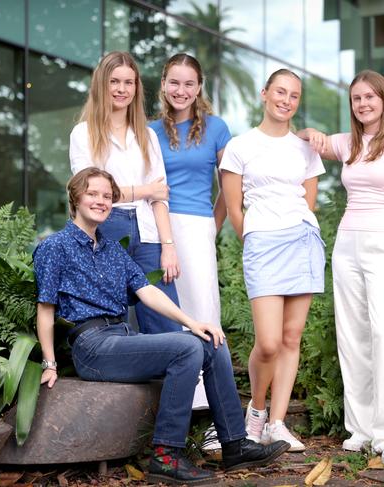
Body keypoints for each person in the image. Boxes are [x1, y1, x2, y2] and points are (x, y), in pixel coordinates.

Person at [34, 167, 290, 485]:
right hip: (93, 346)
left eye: (106, 196)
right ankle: (166, 457)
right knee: (184, 349)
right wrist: (50, 363)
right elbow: (45, 309)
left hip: (121, 337)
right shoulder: (54, 246)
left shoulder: (113, 249)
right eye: (92, 194)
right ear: (75, 198)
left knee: (210, 341)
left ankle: (235, 444)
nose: (101, 201)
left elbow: (148, 291)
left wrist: (193, 322)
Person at [298, 69, 384, 465]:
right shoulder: (351, 143)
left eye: (370, 96)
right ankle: (361, 429)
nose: (364, 103)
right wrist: (313, 134)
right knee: (352, 337)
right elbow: (300, 137)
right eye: (356, 98)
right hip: (347, 247)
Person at [220, 69, 326, 452]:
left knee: (290, 337)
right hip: (263, 242)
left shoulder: (305, 147)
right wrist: (256, 237)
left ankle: (278, 423)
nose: (286, 100)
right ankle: (257, 413)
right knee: (267, 342)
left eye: (294, 95)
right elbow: (234, 210)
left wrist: (293, 228)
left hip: (302, 239)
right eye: (280, 91)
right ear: (264, 94)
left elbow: (308, 200)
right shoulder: (240, 146)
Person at [69, 51, 181, 335]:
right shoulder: (83, 134)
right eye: (114, 81)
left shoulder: (148, 135)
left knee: (167, 326)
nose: (122, 89)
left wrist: (168, 246)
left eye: (129, 83)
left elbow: (160, 196)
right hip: (106, 230)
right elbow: (91, 193)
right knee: (110, 323)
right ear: (101, 85)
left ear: (136, 87)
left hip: (149, 233)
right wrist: (144, 189)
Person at [149, 53, 231, 413]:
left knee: (204, 311)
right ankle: (181, 407)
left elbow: (230, 189)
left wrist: (211, 226)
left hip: (197, 227)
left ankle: (213, 413)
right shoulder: (149, 132)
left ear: (199, 88)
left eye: (188, 84)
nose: (180, 91)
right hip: (157, 227)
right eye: (174, 83)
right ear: (163, 85)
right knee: (167, 314)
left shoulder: (217, 128)